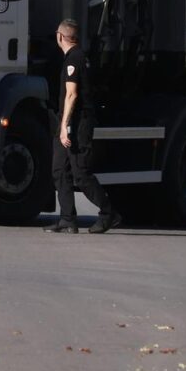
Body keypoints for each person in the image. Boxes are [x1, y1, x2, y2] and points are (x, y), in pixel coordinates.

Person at [47, 19, 121, 234]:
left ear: (60, 36)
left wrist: (64, 126)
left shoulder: (74, 59)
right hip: (70, 120)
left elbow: (72, 94)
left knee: (81, 173)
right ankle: (67, 219)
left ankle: (109, 213)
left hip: (78, 123)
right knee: (60, 169)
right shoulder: (76, 57)